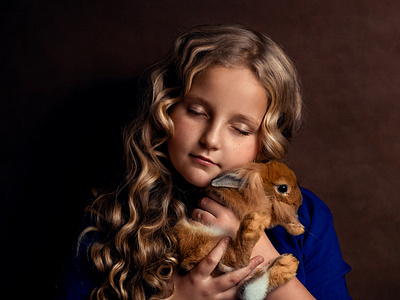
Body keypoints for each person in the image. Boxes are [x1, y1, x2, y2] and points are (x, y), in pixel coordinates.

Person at [58, 24, 352, 299]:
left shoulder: (307, 217)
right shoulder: (116, 213)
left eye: (240, 129)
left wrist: (260, 252)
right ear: (167, 108)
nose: (211, 139)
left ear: (264, 144)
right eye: (197, 112)